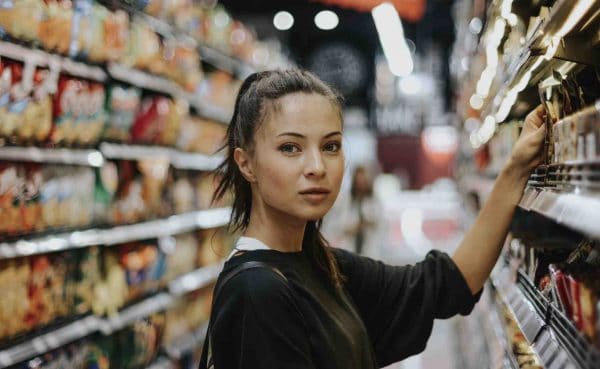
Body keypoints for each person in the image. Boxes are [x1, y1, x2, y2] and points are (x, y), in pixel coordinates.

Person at [199, 69, 546, 369]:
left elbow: (445, 285)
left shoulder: (321, 265)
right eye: (290, 148)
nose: (317, 167)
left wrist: (516, 169)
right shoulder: (257, 292)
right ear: (246, 163)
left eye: (331, 146)